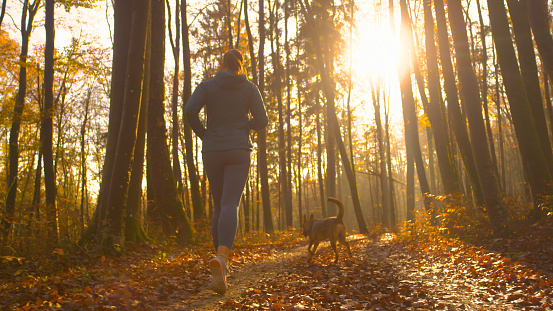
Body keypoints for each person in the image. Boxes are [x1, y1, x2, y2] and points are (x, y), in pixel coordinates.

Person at [184, 49, 268, 295]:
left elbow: (190, 111)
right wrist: (245, 127)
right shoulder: (249, 88)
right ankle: (223, 258)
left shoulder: (208, 86)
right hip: (239, 150)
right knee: (231, 204)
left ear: (222, 64)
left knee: (219, 206)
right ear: (239, 66)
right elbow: (262, 120)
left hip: (213, 151)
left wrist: (205, 134)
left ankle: (220, 263)